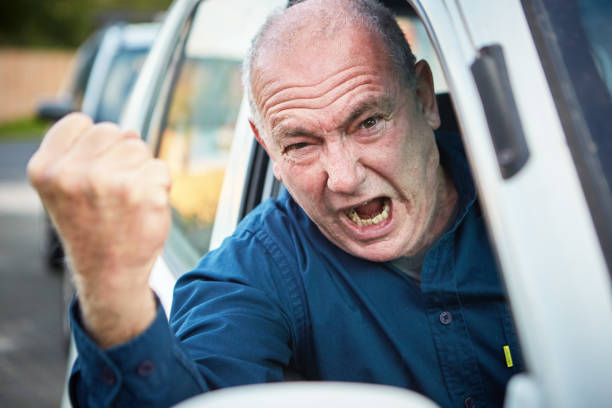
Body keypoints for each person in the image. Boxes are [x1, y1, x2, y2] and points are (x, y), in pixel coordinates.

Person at [28, 0, 522, 407]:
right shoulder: (258, 269)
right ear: (268, 151)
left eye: (368, 122)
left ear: (424, 99)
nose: (345, 178)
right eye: (301, 144)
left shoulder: (549, 201)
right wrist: (113, 294)